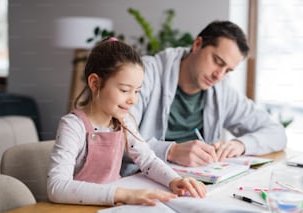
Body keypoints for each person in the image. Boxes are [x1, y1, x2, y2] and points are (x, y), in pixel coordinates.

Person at [47, 38, 206, 207]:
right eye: (124, 90)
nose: (133, 100)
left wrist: (174, 180)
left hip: (114, 206)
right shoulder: (73, 126)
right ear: (95, 83)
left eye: (137, 91)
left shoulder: (124, 122)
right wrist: (124, 194)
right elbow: (56, 187)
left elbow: (148, 161)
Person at [121, 20, 287, 176]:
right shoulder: (144, 73)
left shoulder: (222, 91)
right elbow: (113, 134)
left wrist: (240, 145)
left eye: (228, 70)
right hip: (139, 180)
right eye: (217, 61)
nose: (219, 75)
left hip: (192, 182)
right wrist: (170, 151)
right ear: (197, 44)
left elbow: (277, 133)